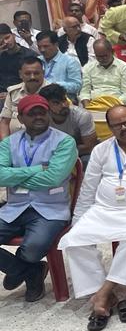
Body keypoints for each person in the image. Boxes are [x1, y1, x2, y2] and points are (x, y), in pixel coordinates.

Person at [58, 105, 126, 331]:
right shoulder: (101, 150)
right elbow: (88, 188)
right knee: (74, 240)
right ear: (110, 128)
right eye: (118, 125)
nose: (124, 128)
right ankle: (109, 296)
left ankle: (104, 293)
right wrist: (78, 220)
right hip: (104, 210)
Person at [0, 95, 78, 302]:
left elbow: (53, 178)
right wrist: (37, 169)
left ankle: (24, 267)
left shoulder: (64, 142)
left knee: (33, 249)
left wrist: (15, 176)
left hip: (50, 209)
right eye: (32, 113)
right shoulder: (9, 143)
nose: (38, 117)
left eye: (42, 112)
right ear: (20, 118)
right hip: (14, 207)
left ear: (48, 113)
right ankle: (30, 271)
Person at [39, 84, 98, 162]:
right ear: (46, 106)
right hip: (52, 153)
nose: (64, 105)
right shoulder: (41, 118)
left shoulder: (82, 115)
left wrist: (62, 153)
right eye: (56, 103)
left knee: (87, 160)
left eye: (64, 100)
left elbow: (89, 146)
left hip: (79, 152)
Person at [0, 56, 46, 137]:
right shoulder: (13, 92)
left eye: (36, 73)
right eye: (27, 74)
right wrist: (5, 143)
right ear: (20, 74)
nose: (32, 77)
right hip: (13, 141)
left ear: (43, 73)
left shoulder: (53, 92)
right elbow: (4, 122)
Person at [79, 39, 126, 106]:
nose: (101, 59)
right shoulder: (88, 68)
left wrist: (114, 106)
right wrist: (87, 107)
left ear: (112, 52)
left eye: (105, 56)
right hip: (94, 105)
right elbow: (84, 92)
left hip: (117, 105)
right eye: (98, 56)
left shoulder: (125, 68)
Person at [37, 30, 82, 98]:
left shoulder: (70, 61)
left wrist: (54, 85)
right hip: (39, 98)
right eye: (39, 47)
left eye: (46, 46)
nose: (42, 50)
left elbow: (76, 86)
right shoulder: (37, 61)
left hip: (62, 98)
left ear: (56, 44)